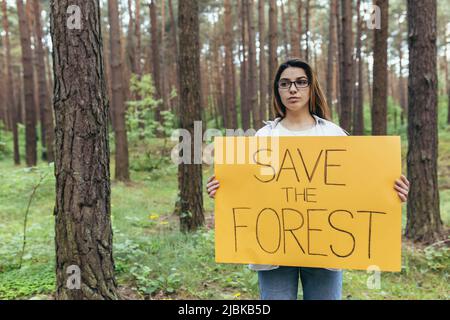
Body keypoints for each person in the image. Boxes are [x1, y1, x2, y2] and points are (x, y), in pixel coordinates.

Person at [206, 58, 410, 300]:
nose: (293, 89)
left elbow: (355, 188)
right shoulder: (262, 137)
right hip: (273, 250)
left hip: (326, 249)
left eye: (301, 82)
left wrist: (390, 192)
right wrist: (223, 189)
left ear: (312, 87)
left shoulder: (334, 134)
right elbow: (248, 189)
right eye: (285, 84)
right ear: (277, 91)